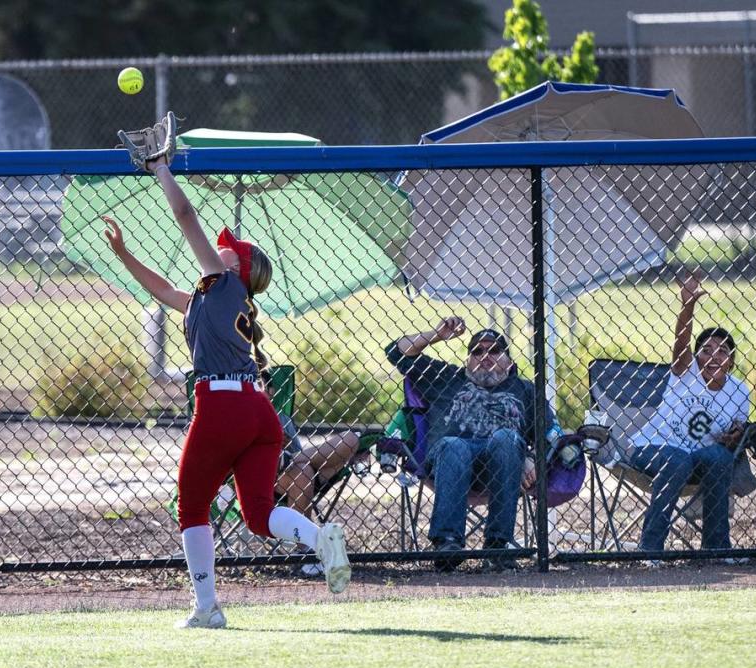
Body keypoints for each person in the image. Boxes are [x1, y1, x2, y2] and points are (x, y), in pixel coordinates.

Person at [100, 150, 350, 630]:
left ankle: (207, 608)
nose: (222, 248)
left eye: (230, 249)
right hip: (257, 413)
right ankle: (321, 540)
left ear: (237, 269)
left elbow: (185, 215)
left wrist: (160, 168)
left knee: (192, 506)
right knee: (258, 516)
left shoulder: (226, 285)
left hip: (221, 409)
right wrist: (124, 254)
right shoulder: (210, 297)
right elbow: (165, 291)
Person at [386, 316, 567, 571]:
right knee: (455, 445)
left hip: (504, 465)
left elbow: (552, 433)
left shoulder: (526, 390)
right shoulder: (447, 377)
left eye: (495, 350)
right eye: (477, 351)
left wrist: (533, 458)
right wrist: (437, 335)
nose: (486, 355)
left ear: (510, 361)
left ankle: (497, 547)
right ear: (467, 360)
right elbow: (396, 351)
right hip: (450, 463)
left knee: (507, 438)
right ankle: (447, 544)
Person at [630, 273, 750, 558]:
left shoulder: (739, 391)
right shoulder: (685, 373)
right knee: (678, 459)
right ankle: (650, 548)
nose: (713, 357)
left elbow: (738, 431)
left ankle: (717, 548)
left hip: (696, 458)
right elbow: (682, 342)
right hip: (652, 448)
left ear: (731, 362)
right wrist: (688, 306)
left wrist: (735, 437)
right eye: (706, 351)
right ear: (695, 357)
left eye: (722, 352)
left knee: (720, 457)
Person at [262, 372, 361, 576]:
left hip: (299, 468)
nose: (256, 389)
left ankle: (286, 459)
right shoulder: (237, 415)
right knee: (302, 470)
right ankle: (304, 550)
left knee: (350, 439)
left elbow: (298, 450)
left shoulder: (280, 416)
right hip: (267, 481)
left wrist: (288, 451)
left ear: (271, 391)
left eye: (260, 385)